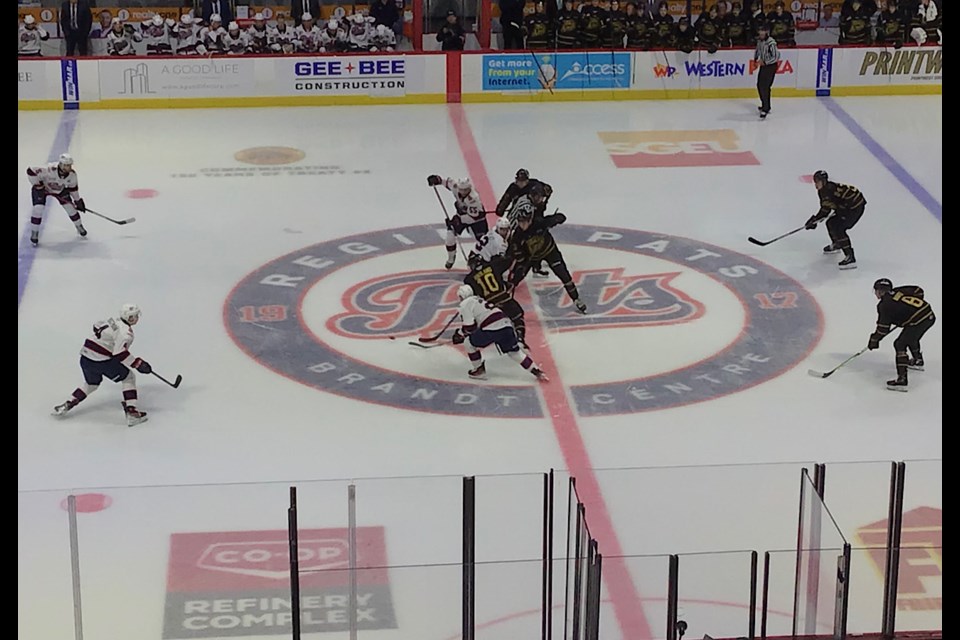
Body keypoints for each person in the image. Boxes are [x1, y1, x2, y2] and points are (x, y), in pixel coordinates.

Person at [52, 304, 151, 426]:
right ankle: (132, 412)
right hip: (101, 361)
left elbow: (96, 326)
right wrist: (138, 364)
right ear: (130, 318)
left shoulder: (111, 320)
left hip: (85, 357)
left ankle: (68, 404)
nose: (137, 318)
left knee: (91, 384)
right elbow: (119, 353)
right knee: (129, 377)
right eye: (135, 316)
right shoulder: (126, 333)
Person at [450, 284, 548, 381]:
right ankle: (536, 371)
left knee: (468, 343)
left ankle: (478, 370)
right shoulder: (480, 299)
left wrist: (460, 334)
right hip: (507, 326)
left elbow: (469, 327)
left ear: (462, 296)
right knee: (514, 352)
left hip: (492, 328)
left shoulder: (465, 304)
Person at [509, 197, 587, 313]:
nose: (522, 224)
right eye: (520, 221)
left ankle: (576, 298)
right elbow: (516, 252)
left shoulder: (540, 223)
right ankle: (506, 301)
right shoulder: (518, 235)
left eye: (525, 221)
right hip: (532, 257)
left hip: (550, 252)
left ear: (530, 219)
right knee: (515, 279)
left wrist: (555, 220)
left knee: (564, 275)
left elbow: (561, 217)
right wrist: (521, 259)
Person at [867, 279, 935, 391]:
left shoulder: (884, 305)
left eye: (875, 291)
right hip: (928, 314)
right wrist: (910, 311)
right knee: (911, 336)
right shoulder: (898, 291)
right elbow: (918, 290)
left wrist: (874, 340)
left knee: (899, 344)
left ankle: (902, 380)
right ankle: (917, 360)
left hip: (919, 321)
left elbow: (883, 329)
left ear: (879, 292)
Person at [464, 250, 530, 348]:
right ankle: (520, 338)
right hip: (504, 297)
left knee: (491, 322)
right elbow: (509, 261)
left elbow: (472, 296)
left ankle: (496, 338)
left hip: (490, 305)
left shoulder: (468, 279)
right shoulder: (493, 265)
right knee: (517, 316)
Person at [804, 170, 864, 269]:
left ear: (824, 181)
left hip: (855, 208)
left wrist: (842, 211)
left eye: (818, 182)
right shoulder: (823, 191)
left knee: (840, 228)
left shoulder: (832, 191)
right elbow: (825, 209)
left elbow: (850, 200)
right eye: (815, 182)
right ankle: (837, 244)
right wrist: (815, 220)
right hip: (846, 207)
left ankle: (850, 257)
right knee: (830, 222)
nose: (816, 184)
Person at [26, 153, 87, 248]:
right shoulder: (49, 169)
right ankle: (35, 232)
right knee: (38, 209)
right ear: (61, 165)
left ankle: (79, 226)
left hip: (60, 191)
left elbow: (73, 189)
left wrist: (78, 201)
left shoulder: (72, 175)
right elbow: (30, 171)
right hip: (43, 190)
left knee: (71, 208)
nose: (69, 167)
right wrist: (38, 185)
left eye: (70, 165)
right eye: (66, 165)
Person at [427, 174, 488, 269]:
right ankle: (451, 258)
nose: (463, 192)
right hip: (461, 217)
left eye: (465, 190)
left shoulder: (474, 199)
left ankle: (486, 261)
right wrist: (437, 179)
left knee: (484, 242)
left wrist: (457, 221)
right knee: (450, 236)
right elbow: (447, 182)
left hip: (477, 221)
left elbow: (473, 217)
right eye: (461, 189)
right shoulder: (456, 186)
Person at [754, 22, 779, 119]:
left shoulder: (771, 42)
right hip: (763, 66)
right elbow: (757, 50)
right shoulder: (759, 41)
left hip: (770, 66)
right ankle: (765, 104)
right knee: (759, 85)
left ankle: (766, 107)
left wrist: (765, 62)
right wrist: (756, 59)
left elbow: (776, 56)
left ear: (767, 32)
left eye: (763, 31)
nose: (761, 33)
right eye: (760, 31)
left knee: (765, 86)